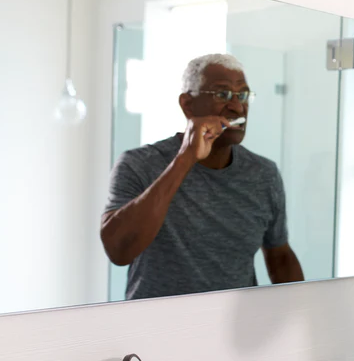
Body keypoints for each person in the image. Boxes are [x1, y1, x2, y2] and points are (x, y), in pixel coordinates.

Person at [101, 53, 304, 300]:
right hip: (155, 330)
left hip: (235, 332)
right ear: (188, 104)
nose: (238, 107)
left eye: (242, 95)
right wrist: (185, 159)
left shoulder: (264, 174)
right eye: (222, 95)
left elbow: (280, 256)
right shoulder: (139, 165)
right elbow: (118, 251)